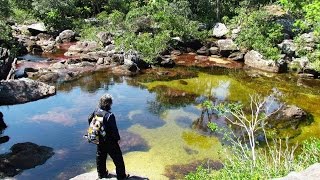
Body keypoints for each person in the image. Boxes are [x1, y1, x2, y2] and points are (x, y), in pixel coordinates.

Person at [88, 94, 129, 180]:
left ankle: (102, 174)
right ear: (109, 104)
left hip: (99, 139)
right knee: (118, 159)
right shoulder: (110, 115)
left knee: (100, 156)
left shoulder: (96, 111)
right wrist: (118, 139)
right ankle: (121, 176)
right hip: (110, 141)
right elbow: (114, 129)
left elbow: (89, 119)